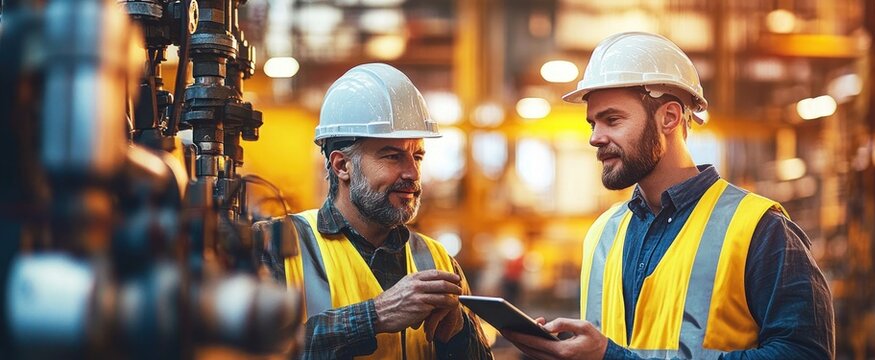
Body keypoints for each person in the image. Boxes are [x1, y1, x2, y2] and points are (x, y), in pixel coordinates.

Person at [500, 32, 834, 359]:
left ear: (669, 117)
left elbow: (805, 352)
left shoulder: (759, 230)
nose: (595, 138)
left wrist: (611, 356)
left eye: (612, 120)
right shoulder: (602, 235)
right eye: (592, 124)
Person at [259, 63, 492, 359]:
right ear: (342, 165)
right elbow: (257, 350)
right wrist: (374, 316)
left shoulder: (438, 260)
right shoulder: (277, 245)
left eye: (417, 156)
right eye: (393, 156)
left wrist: (458, 333)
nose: (412, 173)